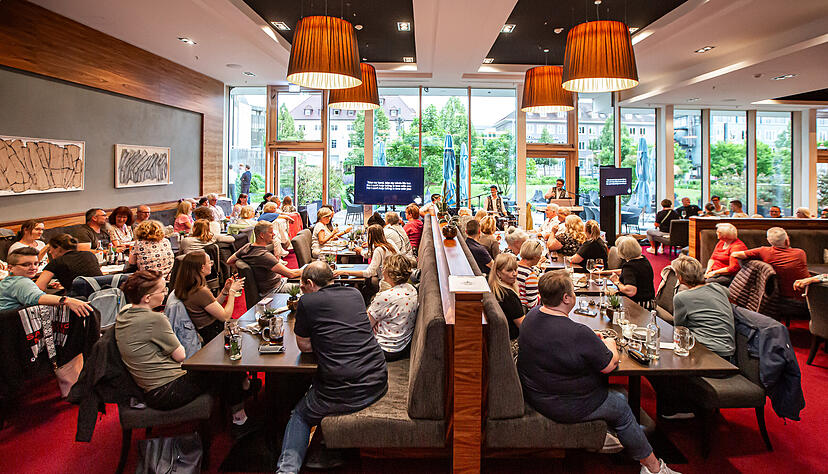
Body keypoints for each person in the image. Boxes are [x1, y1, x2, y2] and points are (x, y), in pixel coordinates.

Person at [517, 271, 679, 474]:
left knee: (618, 395)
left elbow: (559, 343)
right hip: (565, 403)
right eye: (573, 292)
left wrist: (591, 339)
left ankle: (611, 437)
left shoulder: (532, 316)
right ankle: (654, 469)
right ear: (567, 298)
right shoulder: (577, 333)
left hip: (537, 393)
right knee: (621, 405)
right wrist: (610, 344)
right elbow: (609, 366)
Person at [276, 262, 388, 474]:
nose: (302, 291)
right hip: (377, 380)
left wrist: (324, 338)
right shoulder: (354, 294)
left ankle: (286, 470)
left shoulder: (307, 302)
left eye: (302, 287)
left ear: (309, 283)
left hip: (345, 391)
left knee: (300, 414)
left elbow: (304, 345)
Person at [116, 270, 255, 436]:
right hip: (167, 390)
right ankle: (239, 420)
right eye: (162, 290)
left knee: (219, 366)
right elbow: (180, 355)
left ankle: (241, 391)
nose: (165, 294)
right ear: (147, 297)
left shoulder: (123, 313)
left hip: (149, 388)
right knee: (225, 368)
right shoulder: (154, 320)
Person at [731, 227, 811, 318]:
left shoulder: (764, 251)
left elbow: (735, 254)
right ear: (787, 240)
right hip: (806, 300)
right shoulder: (800, 253)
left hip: (778, 300)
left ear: (769, 241)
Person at [671, 256, 736, 358]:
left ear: (680, 278)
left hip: (704, 350)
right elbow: (728, 293)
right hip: (728, 351)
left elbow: (679, 328)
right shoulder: (719, 288)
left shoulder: (681, 297)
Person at [173, 251, 245, 342]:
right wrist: (232, 291)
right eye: (209, 262)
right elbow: (225, 317)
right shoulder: (199, 291)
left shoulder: (190, 286)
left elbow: (212, 305)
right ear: (202, 268)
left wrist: (224, 291)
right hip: (214, 334)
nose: (211, 264)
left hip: (209, 331)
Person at [0, 248, 92, 314]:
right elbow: (37, 298)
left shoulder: (7, 282)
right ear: (10, 268)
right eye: (26, 264)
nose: (33, 268)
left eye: (36, 264)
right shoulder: (21, 282)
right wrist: (67, 300)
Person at [227, 222, 302, 297]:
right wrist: (309, 269)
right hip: (275, 290)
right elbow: (290, 274)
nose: (274, 234)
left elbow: (229, 261)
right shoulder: (264, 256)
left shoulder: (247, 247)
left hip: (277, 283)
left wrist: (238, 270)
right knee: (310, 286)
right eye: (271, 232)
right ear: (262, 235)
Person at [366, 254, 418, 360]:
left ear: (390, 273)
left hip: (383, 349)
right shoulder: (412, 289)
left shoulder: (386, 297)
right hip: (402, 346)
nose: (382, 270)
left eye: (383, 267)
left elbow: (365, 325)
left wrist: (376, 322)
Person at [36, 234, 102, 291]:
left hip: (79, 301)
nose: (50, 252)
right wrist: (65, 284)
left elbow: (39, 287)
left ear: (58, 248)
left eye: (50, 248)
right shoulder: (89, 255)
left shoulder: (57, 262)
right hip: (102, 294)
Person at [609, 236, 655, 306]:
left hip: (638, 306)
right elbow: (627, 273)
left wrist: (617, 282)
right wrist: (604, 272)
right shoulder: (643, 260)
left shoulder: (630, 266)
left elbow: (631, 291)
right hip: (649, 302)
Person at [488, 253, 525, 341]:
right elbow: (523, 325)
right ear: (498, 273)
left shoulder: (495, 290)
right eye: (509, 270)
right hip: (514, 342)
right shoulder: (509, 296)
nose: (514, 274)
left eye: (515, 270)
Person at [517, 239, 543, 309]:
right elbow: (533, 304)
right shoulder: (530, 274)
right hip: (525, 310)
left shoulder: (514, 266)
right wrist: (541, 296)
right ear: (535, 257)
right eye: (540, 255)